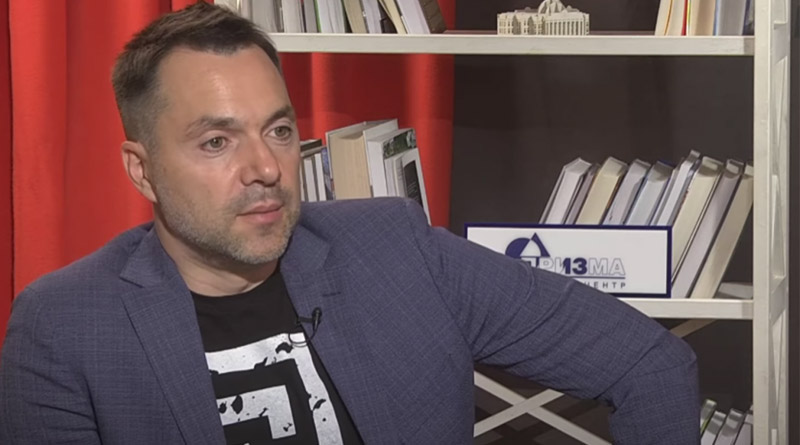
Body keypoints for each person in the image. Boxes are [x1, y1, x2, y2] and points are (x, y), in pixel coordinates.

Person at [0, 3, 699, 444]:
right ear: (142, 169)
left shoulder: (395, 251)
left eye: (278, 130)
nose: (265, 167)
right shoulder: (65, 325)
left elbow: (650, 364)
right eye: (216, 141)